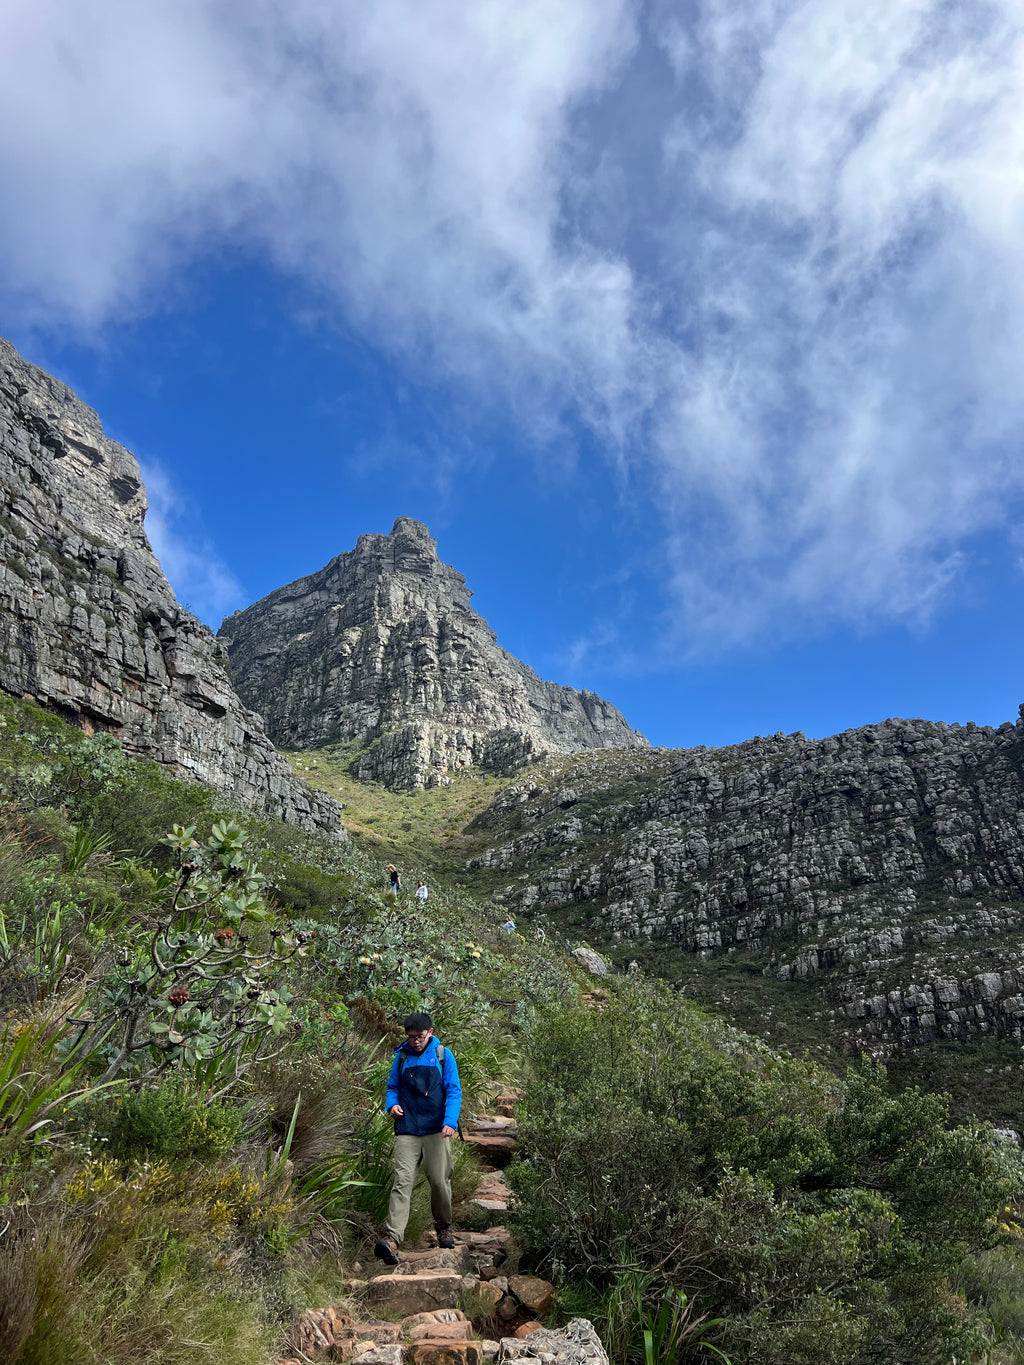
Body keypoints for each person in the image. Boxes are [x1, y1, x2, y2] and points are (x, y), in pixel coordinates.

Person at [374, 1012, 462, 1265]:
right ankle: (392, 1239)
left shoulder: (444, 1056)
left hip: (437, 1130)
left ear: (430, 1033)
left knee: (439, 1181)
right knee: (402, 1181)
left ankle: (443, 1227)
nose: (415, 1041)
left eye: (420, 1037)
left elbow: (453, 1090)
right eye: (411, 1037)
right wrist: (392, 1105)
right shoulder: (401, 1057)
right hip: (408, 1129)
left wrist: (450, 1122)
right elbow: (393, 1088)